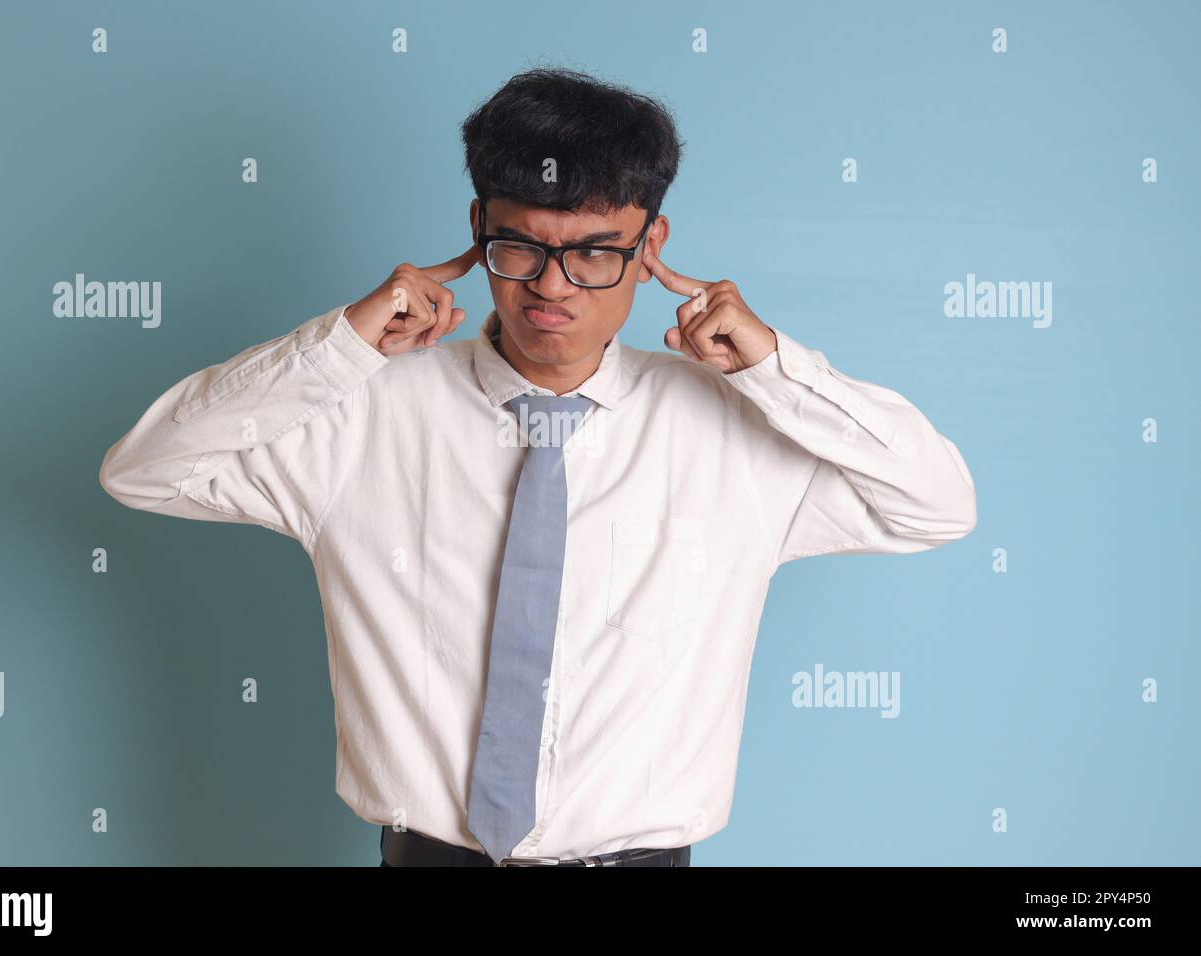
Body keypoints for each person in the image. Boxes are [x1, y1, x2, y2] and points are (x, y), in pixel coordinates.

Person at [99, 67, 977, 867]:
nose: (553, 287)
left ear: (651, 244)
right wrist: (342, 346)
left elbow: (936, 505)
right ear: (479, 230)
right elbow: (143, 470)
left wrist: (775, 369)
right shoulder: (356, 411)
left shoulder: (734, 432)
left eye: (596, 252)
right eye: (522, 247)